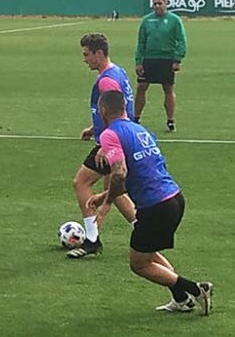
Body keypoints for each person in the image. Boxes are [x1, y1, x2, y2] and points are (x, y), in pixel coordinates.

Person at [87, 90, 212, 315]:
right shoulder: (140, 130)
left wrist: (107, 203)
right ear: (125, 107)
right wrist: (103, 196)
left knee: (139, 264)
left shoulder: (110, 134)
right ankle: (181, 299)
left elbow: (119, 173)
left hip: (156, 207)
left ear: (103, 110)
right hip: (174, 199)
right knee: (148, 253)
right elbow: (141, 172)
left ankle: (195, 288)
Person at [68, 33, 137, 259]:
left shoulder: (106, 80)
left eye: (87, 55)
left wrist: (104, 142)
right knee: (115, 193)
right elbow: (117, 109)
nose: (84, 59)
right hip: (123, 136)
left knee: (81, 182)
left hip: (111, 142)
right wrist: (94, 127)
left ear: (99, 53)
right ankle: (142, 229)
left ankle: (92, 239)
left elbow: (115, 112)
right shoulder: (118, 72)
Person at [134, 0, 188, 132]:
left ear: (166, 4)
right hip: (149, 59)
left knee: (168, 89)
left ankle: (170, 121)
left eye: (160, 3)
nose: (157, 6)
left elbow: (181, 41)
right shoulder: (146, 21)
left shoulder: (174, 20)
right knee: (141, 87)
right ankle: (136, 118)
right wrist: (138, 61)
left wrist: (177, 59)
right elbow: (141, 42)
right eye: (155, 4)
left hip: (166, 59)